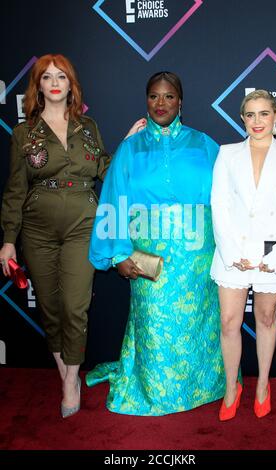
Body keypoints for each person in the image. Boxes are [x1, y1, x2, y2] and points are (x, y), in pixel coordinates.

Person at [0, 53, 145, 418]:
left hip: (84, 224)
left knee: (75, 307)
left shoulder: (88, 127)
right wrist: (7, 239)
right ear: (38, 86)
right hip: (37, 230)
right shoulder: (23, 134)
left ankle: (70, 380)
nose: (53, 82)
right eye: (46, 76)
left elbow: (105, 170)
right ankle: (65, 371)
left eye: (60, 76)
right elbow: (15, 190)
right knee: (50, 308)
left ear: (70, 85)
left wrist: (126, 143)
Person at [87, 71, 226, 416]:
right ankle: (152, 393)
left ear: (181, 102)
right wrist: (119, 253)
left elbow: (227, 199)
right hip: (149, 259)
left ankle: (205, 387)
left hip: (198, 258)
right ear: (146, 100)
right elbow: (114, 200)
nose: (160, 103)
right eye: (153, 96)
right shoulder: (130, 149)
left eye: (168, 96)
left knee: (199, 324)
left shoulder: (204, 145)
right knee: (153, 325)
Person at [210, 89, 276, 421]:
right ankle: (232, 388)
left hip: (272, 254)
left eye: (264, 114)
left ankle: (262, 384)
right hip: (231, 250)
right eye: (250, 114)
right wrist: (231, 251)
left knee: (265, 318)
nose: (257, 121)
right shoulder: (227, 153)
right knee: (229, 322)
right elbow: (218, 205)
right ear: (242, 118)